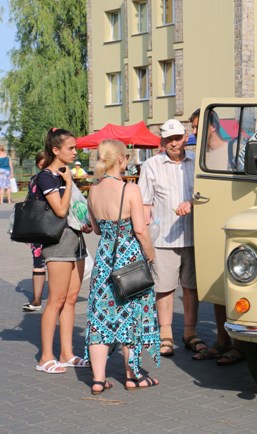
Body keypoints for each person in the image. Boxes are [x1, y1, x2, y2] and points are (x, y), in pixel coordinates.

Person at [84, 139, 160, 394]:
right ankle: (133, 377)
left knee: (99, 319)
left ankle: (97, 380)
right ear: (120, 159)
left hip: (104, 260)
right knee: (131, 317)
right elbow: (140, 229)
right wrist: (150, 256)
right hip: (129, 261)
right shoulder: (130, 190)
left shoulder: (92, 191)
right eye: (126, 157)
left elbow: (95, 229)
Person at [138, 118, 209, 358]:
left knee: (191, 288)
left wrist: (191, 203)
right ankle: (165, 333)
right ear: (162, 141)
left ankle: (190, 332)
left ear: (185, 138)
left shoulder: (197, 163)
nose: (173, 143)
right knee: (164, 288)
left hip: (194, 236)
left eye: (177, 138)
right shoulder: (151, 165)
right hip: (164, 239)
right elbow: (144, 203)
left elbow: (206, 196)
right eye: (168, 139)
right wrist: (143, 236)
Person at [188, 109, 244, 365]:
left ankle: (240, 345)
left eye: (197, 126)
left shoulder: (235, 150)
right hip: (211, 225)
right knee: (215, 285)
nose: (194, 132)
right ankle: (222, 340)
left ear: (212, 126)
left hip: (234, 225)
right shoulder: (203, 157)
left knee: (237, 284)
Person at [35, 128, 92, 374]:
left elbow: (73, 210)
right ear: (55, 150)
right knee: (55, 300)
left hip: (76, 241)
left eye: (75, 147)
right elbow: (59, 210)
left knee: (70, 299)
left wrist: (84, 222)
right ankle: (45, 356)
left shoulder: (64, 174)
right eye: (71, 148)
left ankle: (66, 353)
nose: (75, 151)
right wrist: (68, 183)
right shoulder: (47, 176)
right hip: (57, 245)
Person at [22, 152, 47, 312]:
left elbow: (27, 203)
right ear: (39, 164)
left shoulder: (34, 180)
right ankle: (38, 299)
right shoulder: (49, 179)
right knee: (41, 263)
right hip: (46, 227)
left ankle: (37, 300)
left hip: (37, 226)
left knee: (41, 262)